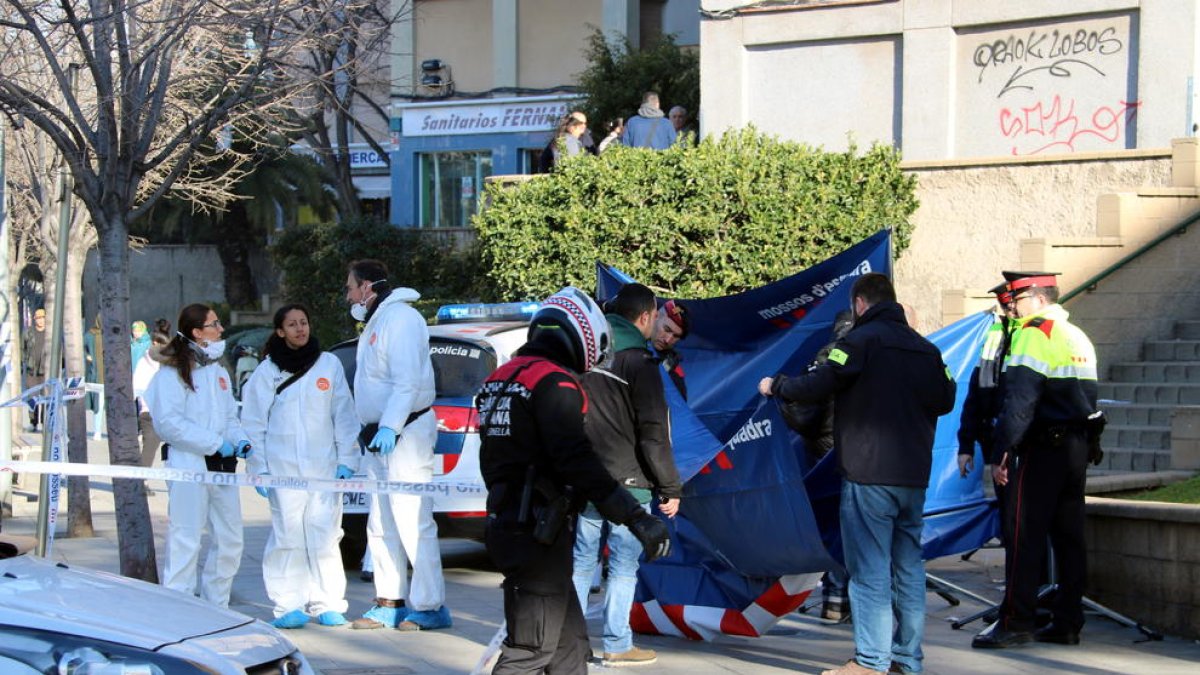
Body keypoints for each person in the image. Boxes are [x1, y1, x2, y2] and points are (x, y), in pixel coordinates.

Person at [759, 273, 956, 675]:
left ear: (860, 304)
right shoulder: (927, 350)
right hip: (913, 476)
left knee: (868, 572)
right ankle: (908, 659)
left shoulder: (858, 342)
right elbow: (946, 399)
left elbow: (819, 384)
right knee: (908, 569)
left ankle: (869, 662)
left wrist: (776, 385)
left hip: (869, 475)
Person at [477, 287, 671, 674]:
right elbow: (577, 461)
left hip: (511, 523)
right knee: (530, 651)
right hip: (537, 533)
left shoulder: (499, 379)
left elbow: (494, 459)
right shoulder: (555, 383)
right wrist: (635, 516)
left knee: (569, 650)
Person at [970, 271, 1102, 650]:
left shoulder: (1035, 331)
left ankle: (1016, 623)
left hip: (1041, 447)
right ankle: (1067, 621)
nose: (1013, 308)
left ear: (1038, 298)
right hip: (1076, 447)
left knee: (1022, 536)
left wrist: (1003, 452)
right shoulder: (1076, 334)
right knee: (1068, 538)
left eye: (1018, 300)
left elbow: (1020, 402)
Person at [571, 283, 681, 668]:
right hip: (631, 488)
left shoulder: (585, 358)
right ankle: (617, 645)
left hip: (588, 481)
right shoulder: (640, 363)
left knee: (582, 563)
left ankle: (567, 640)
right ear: (647, 316)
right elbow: (654, 435)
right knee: (622, 567)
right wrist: (670, 487)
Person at [344, 259, 451, 631]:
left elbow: (407, 382)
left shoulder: (402, 319)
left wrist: (390, 426)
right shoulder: (378, 320)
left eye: (350, 287)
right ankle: (390, 600)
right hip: (380, 436)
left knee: (413, 521)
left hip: (406, 434)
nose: (348, 295)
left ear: (367, 287)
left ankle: (430, 605)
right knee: (382, 522)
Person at [241, 304, 360, 629]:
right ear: (280, 331)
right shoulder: (267, 372)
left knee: (325, 536)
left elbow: (344, 415)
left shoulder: (329, 365)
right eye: (292, 325)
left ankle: (329, 602)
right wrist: (259, 468)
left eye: (303, 322)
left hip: (324, 468)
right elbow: (254, 423)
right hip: (283, 471)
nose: (299, 329)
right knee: (287, 537)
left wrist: (347, 459)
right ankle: (288, 604)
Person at [144, 303, 251, 608]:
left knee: (230, 540)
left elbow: (229, 416)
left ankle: (217, 605)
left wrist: (240, 441)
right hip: (188, 465)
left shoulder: (217, 371)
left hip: (221, 468)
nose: (221, 330)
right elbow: (169, 424)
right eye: (214, 324)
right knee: (185, 540)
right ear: (196, 332)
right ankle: (179, 607)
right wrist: (215, 443)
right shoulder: (172, 372)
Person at [132, 331, 170, 469]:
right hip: (148, 410)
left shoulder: (165, 363)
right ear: (155, 343)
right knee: (150, 445)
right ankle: (142, 480)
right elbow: (138, 387)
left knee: (153, 446)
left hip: (164, 412)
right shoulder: (145, 363)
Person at [649, 299, 689, 398]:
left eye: (675, 336)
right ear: (656, 316)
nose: (667, 340)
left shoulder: (673, 369)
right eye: (666, 329)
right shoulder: (627, 337)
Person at [22, 308, 47, 430]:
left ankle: (44, 421)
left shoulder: (49, 333)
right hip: (32, 371)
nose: (40, 320)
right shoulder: (28, 333)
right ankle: (33, 422)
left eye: (42, 318)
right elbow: (23, 349)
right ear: (34, 319)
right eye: (38, 318)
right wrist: (25, 362)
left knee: (45, 396)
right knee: (32, 397)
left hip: (45, 370)